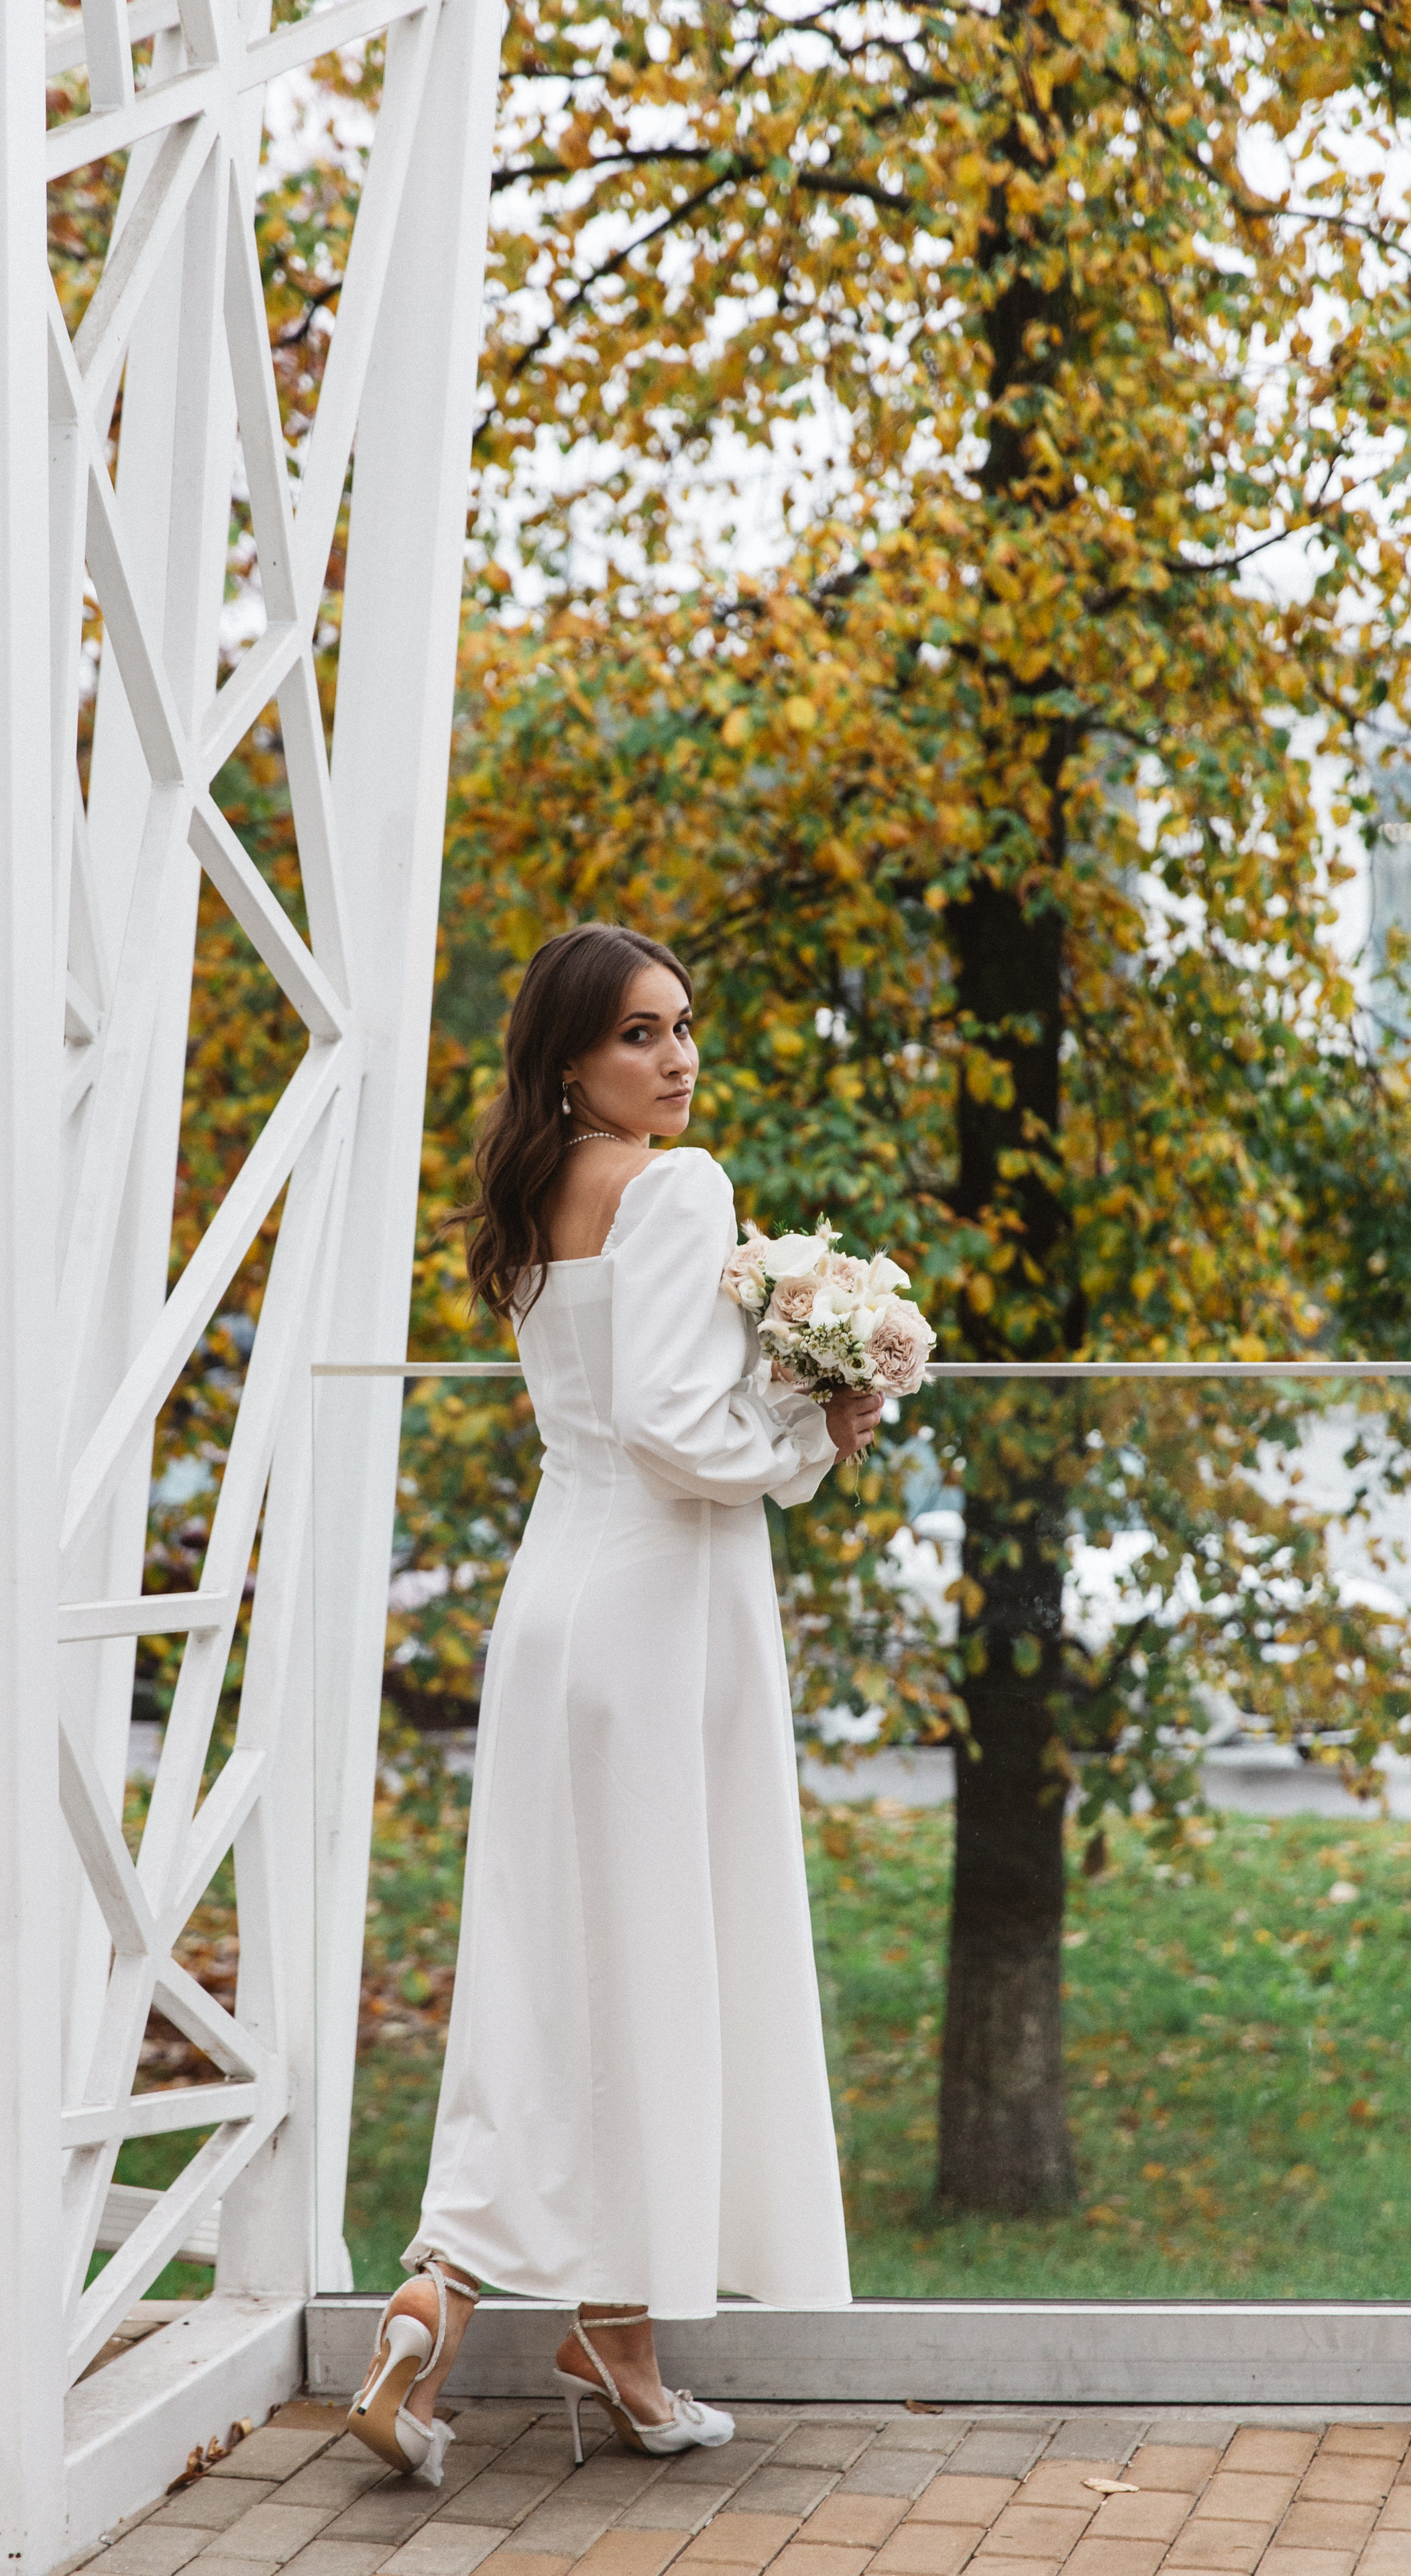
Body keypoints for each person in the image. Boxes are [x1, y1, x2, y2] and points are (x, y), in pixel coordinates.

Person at [347, 923, 879, 2485]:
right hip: (654, 1615)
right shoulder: (676, 1183)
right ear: (571, 1058)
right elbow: (668, 1424)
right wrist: (806, 1427)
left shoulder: (530, 1199)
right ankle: (617, 2335)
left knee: (549, 1955)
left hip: (549, 1608)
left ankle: (447, 2302)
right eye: (640, 1034)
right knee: (651, 1955)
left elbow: (607, 1406)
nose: (676, 1057)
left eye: (683, 1028)